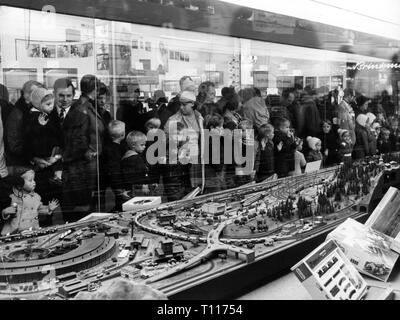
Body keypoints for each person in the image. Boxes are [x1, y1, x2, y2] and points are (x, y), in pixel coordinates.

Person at [164, 90, 204, 192]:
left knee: (197, 191)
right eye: (180, 105)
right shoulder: (173, 120)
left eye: (184, 105)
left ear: (193, 104)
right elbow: (166, 144)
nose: (181, 107)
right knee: (187, 192)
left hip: (198, 161)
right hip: (181, 165)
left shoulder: (199, 117)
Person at [1, 168, 59, 235]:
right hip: (14, 232)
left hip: (31, 229)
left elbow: (39, 209)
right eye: (30, 180)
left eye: (34, 180)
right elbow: (5, 212)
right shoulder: (12, 197)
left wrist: (48, 208)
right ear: (20, 184)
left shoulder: (36, 197)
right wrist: (5, 212)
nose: (34, 182)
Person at [5, 80, 44, 173]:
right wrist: (34, 157)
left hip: (32, 165)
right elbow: (14, 145)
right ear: (27, 96)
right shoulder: (18, 114)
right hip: (21, 167)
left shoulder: (33, 110)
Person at [121, 131, 158, 197]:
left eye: (144, 144)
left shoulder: (135, 157)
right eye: (142, 145)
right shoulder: (132, 158)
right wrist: (142, 186)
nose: (144, 147)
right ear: (133, 145)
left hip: (140, 189)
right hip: (137, 191)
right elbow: (131, 177)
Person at [102, 120, 128, 212]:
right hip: (117, 182)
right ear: (123, 134)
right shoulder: (117, 150)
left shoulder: (107, 147)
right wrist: (119, 190)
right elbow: (115, 171)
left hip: (112, 180)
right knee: (121, 204)